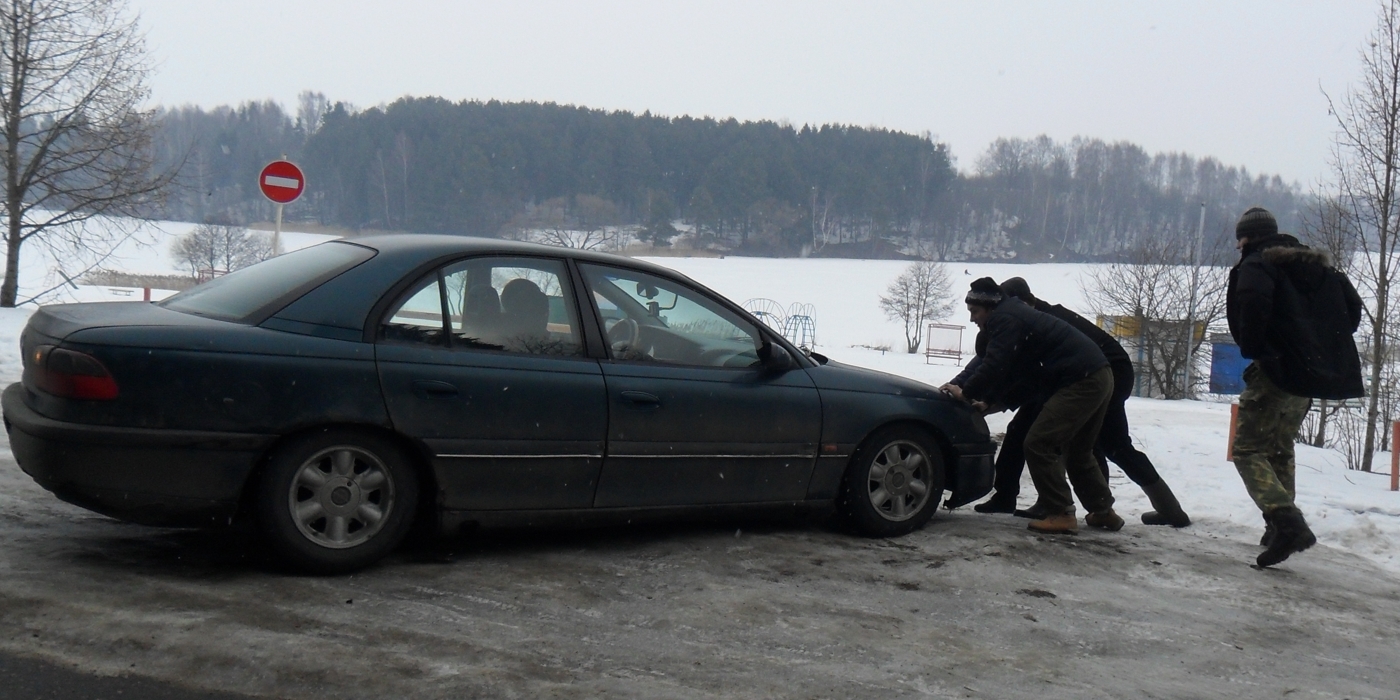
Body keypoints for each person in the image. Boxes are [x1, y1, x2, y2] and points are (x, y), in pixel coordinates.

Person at [989, 277, 1191, 527]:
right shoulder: (1037, 316)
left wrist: (999, 398)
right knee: (1035, 430)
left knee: (1090, 442)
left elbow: (1033, 371)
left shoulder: (1042, 320)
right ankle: (1164, 509)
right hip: (1095, 372)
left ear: (1024, 302)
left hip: (1100, 374)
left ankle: (1088, 508)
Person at [1228, 206, 1364, 568]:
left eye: (1239, 237)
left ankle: (1286, 523)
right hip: (1308, 371)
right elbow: (1352, 309)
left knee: (1248, 450)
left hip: (1275, 369)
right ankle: (1278, 528)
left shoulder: (1257, 264)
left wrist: (1259, 349)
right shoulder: (1317, 266)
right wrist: (1316, 342)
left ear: (1247, 237)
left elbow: (1252, 305)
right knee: (1279, 446)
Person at [942, 277, 1121, 534]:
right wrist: (992, 402)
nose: (972, 319)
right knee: (1079, 450)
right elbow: (1027, 377)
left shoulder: (1005, 319)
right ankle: (1104, 512)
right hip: (1099, 375)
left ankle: (1060, 512)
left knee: (1038, 443)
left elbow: (995, 365)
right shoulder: (1016, 317)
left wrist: (965, 392)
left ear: (988, 307)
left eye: (974, 311)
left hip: (1081, 380)